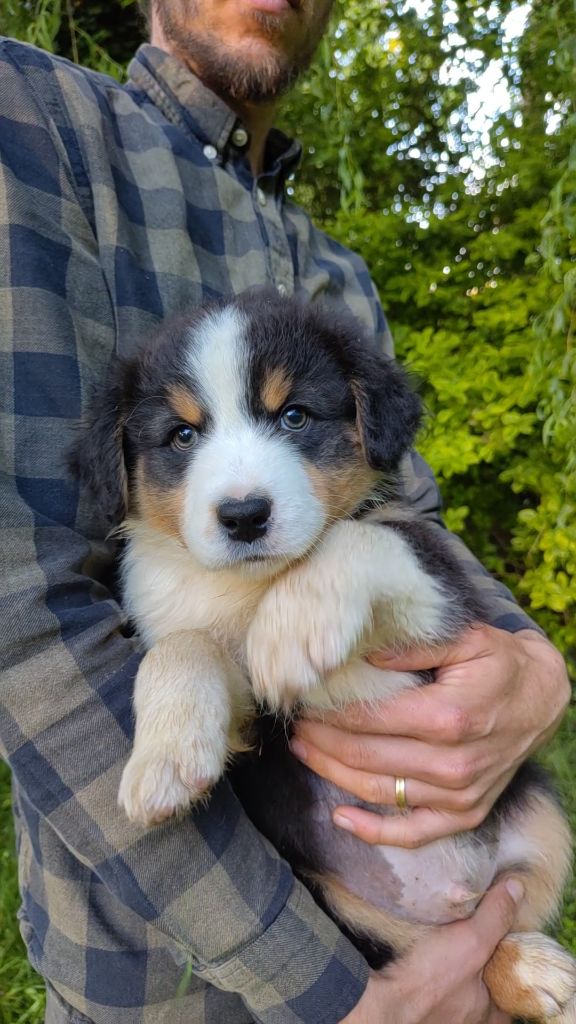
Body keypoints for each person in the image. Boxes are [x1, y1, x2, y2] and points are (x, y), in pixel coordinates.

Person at [0, 2, 569, 1022]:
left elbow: (414, 523)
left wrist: (532, 663)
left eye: (293, 417)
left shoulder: (335, 269)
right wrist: (342, 992)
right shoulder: (28, 116)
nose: (242, 487)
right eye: (183, 438)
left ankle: (502, 949)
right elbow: (18, 606)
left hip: (461, 874)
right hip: (178, 985)